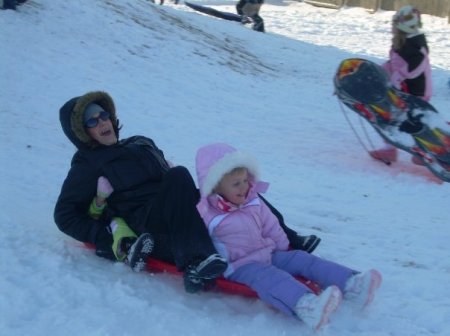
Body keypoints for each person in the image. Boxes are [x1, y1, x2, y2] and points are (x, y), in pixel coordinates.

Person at [54, 91, 319, 293]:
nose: (102, 121)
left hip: (177, 205)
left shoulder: (140, 142)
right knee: (179, 174)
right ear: (82, 132)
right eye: (92, 120)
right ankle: (196, 262)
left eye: (103, 114)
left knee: (230, 184)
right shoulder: (87, 163)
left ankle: (289, 239)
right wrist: (106, 240)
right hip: (148, 220)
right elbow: (65, 215)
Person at [194, 142, 382, 330]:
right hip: (240, 265)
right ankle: (307, 306)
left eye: (245, 180)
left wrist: (284, 248)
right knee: (271, 278)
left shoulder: (253, 201)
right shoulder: (207, 214)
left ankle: (352, 284)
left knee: (301, 259)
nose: (243, 187)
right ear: (215, 186)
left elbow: (271, 226)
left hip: (268, 253)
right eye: (236, 184)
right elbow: (197, 240)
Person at [370, 5, 432, 164]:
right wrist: (381, 72)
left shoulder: (415, 46)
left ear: (401, 27)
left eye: (394, 24)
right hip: (403, 89)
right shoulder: (401, 42)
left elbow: (414, 69)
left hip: (417, 92)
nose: (391, 27)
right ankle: (389, 150)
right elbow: (394, 64)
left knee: (412, 122)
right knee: (390, 117)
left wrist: (397, 78)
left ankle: (425, 153)